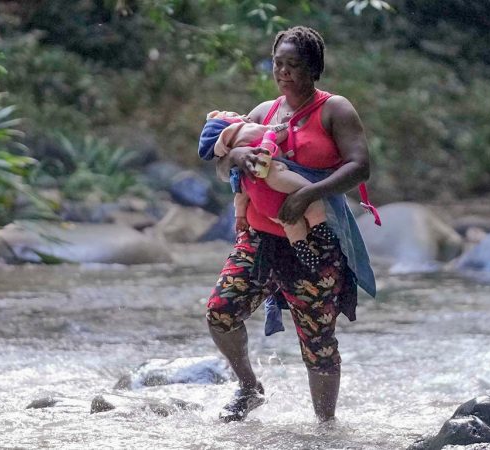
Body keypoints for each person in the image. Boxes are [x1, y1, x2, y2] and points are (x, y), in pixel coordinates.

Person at [205, 25, 376, 423]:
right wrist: (237, 160)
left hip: (314, 242)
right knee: (220, 312)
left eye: (293, 64)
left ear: (313, 68)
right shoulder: (263, 112)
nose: (283, 72)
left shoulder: (335, 109)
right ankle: (249, 387)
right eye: (278, 63)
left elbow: (360, 166)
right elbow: (222, 163)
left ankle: (325, 428)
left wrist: (307, 194)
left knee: (317, 341)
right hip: (261, 237)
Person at [198, 109, 328, 251]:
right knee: (297, 222)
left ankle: (315, 242)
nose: (243, 115)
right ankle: (315, 239)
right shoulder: (260, 113)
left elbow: (356, 168)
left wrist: (310, 193)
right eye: (235, 116)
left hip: (309, 219)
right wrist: (234, 155)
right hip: (256, 239)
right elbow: (223, 173)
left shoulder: (332, 109)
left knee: (299, 226)